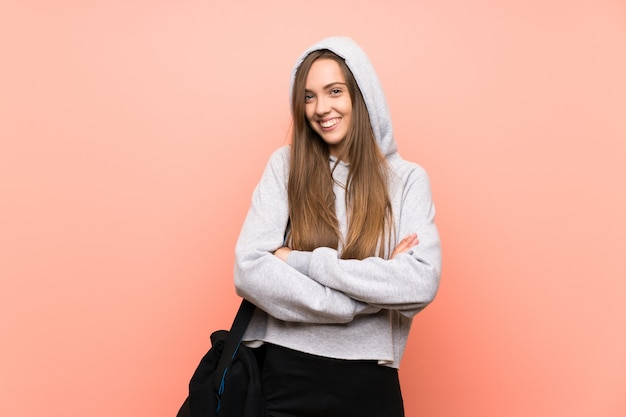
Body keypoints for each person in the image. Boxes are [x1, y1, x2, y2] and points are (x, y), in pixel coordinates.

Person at [233, 36, 442, 417]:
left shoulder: (407, 179)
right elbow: (248, 270)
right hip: (283, 373)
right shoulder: (286, 166)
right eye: (309, 96)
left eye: (334, 91)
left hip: (370, 379)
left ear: (362, 95)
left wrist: (298, 261)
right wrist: (360, 300)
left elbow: (419, 282)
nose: (321, 108)